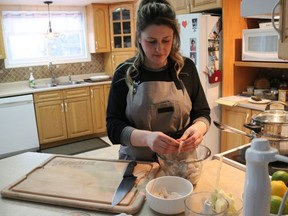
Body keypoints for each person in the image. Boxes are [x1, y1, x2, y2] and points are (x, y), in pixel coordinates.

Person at [106, 0, 211, 162]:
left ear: (174, 38)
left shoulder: (186, 68)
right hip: (138, 163)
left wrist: (198, 129)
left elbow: (202, 113)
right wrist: (147, 138)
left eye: (166, 40)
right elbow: (113, 127)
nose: (159, 49)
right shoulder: (125, 73)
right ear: (139, 38)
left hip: (181, 161)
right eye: (151, 41)